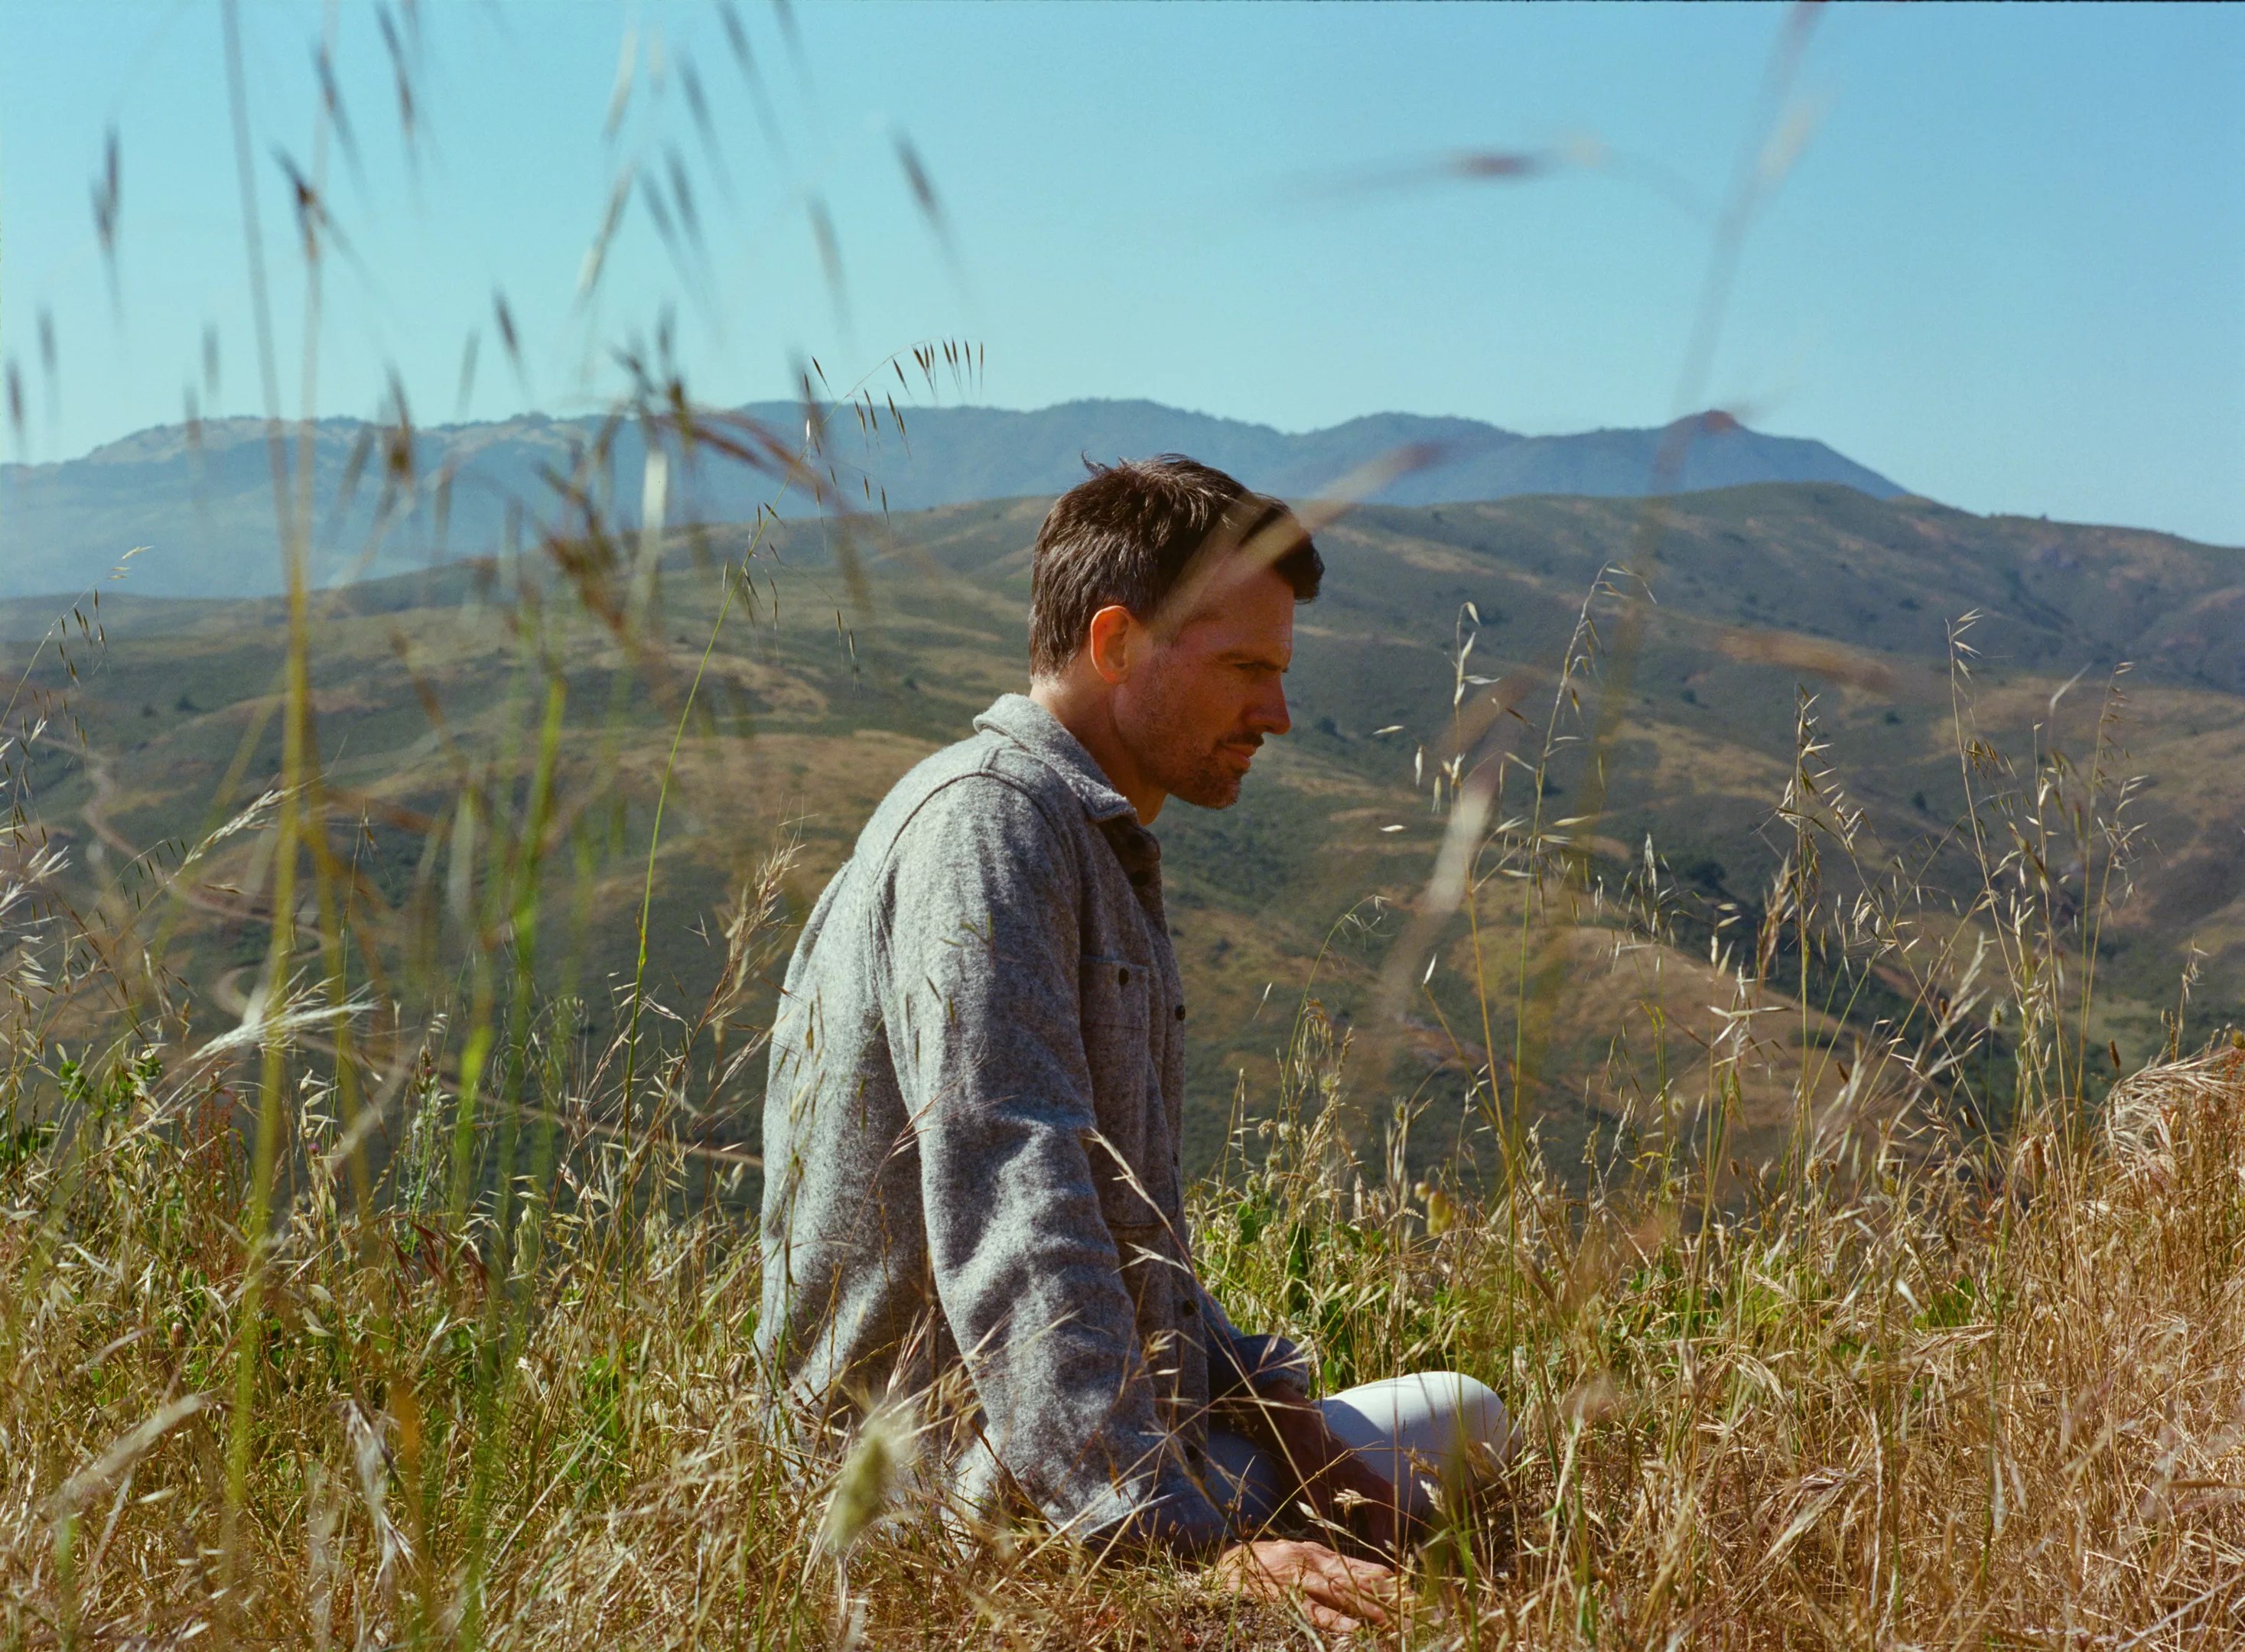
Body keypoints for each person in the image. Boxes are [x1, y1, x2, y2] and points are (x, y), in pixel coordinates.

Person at [756, 454, 1510, 1633]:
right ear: (1116, 644)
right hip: (946, 1488)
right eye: (1246, 668)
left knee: (1458, 1419)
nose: (1278, 713)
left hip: (1054, 1444)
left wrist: (1284, 1420)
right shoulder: (990, 834)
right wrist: (1175, 1547)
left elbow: (1119, 1227)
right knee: (1437, 1458)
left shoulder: (1070, 832)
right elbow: (1021, 1205)